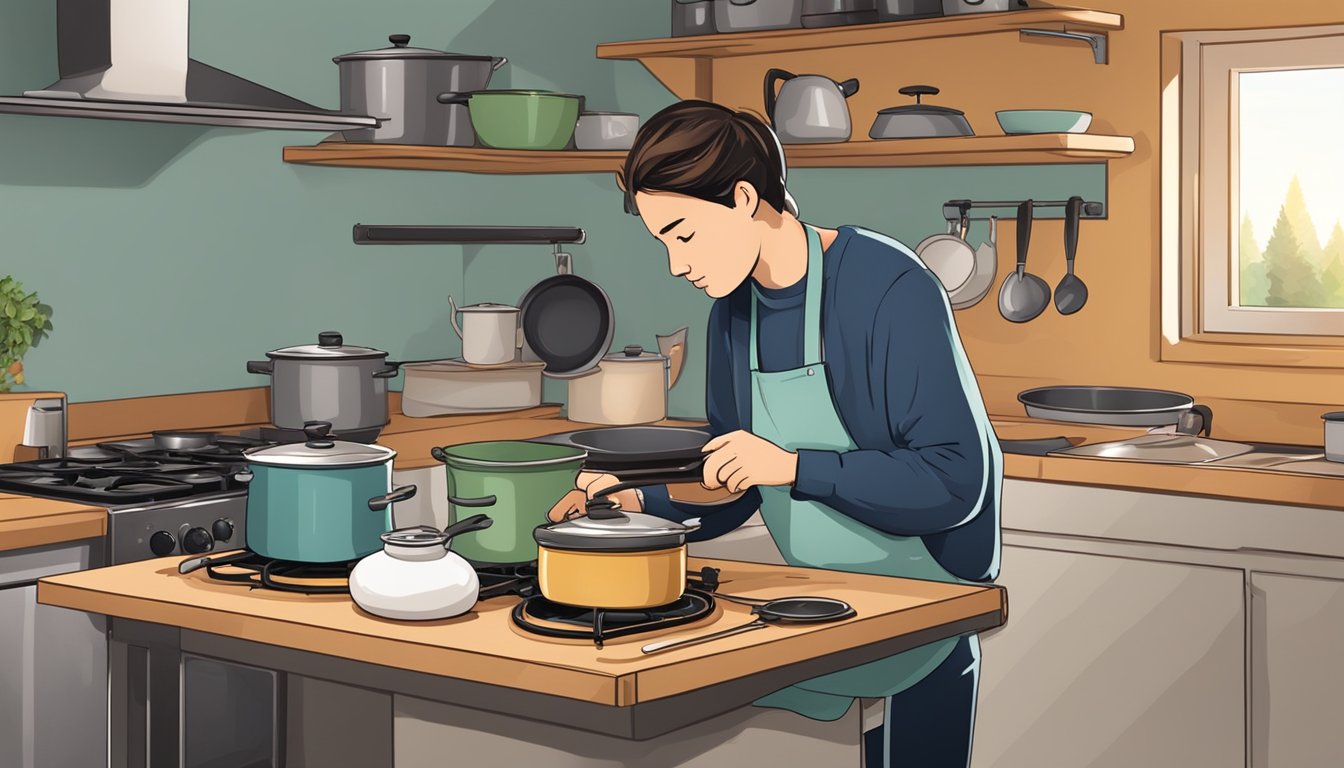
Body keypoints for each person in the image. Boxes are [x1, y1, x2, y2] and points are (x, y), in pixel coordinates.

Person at [548, 99, 1002, 768]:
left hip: (921, 608)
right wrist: (642, 503)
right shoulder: (734, 312)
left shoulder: (886, 284)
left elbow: (953, 480)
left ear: (742, 197)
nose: (676, 264)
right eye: (663, 242)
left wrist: (792, 467)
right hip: (817, 610)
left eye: (683, 234)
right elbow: (737, 481)